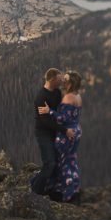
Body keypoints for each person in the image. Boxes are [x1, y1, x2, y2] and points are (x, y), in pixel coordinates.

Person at [38, 70, 83, 205]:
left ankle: (65, 194)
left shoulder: (68, 97)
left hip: (67, 132)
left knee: (62, 162)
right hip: (76, 130)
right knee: (70, 159)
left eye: (66, 80)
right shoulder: (77, 96)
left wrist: (49, 111)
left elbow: (63, 118)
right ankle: (74, 189)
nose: (63, 81)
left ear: (70, 83)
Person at [29, 68, 63, 195]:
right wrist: (63, 129)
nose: (61, 81)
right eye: (59, 79)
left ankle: (36, 184)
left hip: (54, 132)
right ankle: (35, 193)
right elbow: (45, 121)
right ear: (53, 79)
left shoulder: (57, 93)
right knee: (50, 163)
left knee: (57, 164)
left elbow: (60, 112)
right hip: (44, 134)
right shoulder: (41, 98)